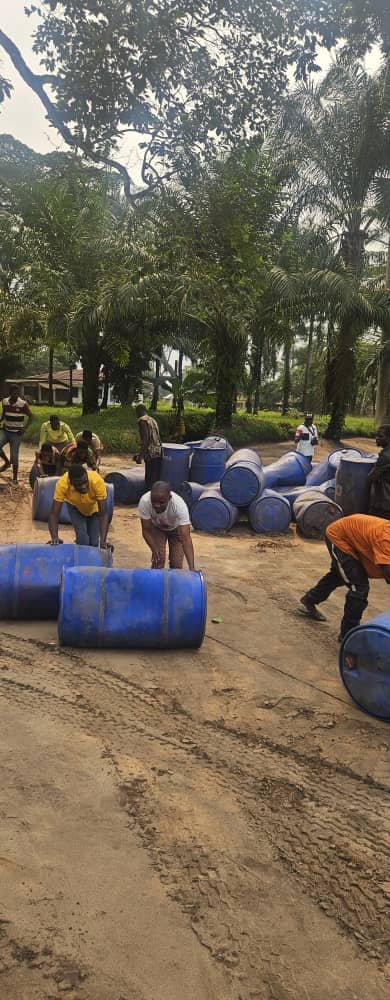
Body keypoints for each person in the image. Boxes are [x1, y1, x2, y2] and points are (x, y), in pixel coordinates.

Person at [298, 513, 390, 640]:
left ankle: (309, 600)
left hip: (353, 537)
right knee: (358, 587)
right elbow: (388, 574)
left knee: (339, 575)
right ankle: (348, 635)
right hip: (339, 537)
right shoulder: (386, 538)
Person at [48, 464, 110, 548]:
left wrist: (103, 541)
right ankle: (81, 558)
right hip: (75, 508)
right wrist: (54, 537)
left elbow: (103, 514)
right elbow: (54, 514)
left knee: (94, 543)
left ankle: (89, 559)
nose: (83, 487)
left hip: (94, 510)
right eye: (78, 485)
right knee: (83, 540)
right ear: (71, 482)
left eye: (85, 482)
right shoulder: (62, 484)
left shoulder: (97, 481)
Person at [138, 481, 195, 570]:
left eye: (161, 502)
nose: (157, 505)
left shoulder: (179, 506)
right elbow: (146, 530)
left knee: (176, 564)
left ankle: (173, 583)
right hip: (157, 528)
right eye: (154, 502)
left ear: (169, 498)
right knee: (158, 560)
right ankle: (155, 582)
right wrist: (154, 548)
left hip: (176, 530)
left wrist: (192, 568)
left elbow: (186, 539)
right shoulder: (145, 501)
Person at [0, 385, 33, 482]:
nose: (16, 395)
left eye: (17, 393)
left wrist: (24, 429)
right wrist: (1, 420)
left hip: (16, 433)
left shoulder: (23, 404)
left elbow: (31, 416)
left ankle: (15, 478)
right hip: (5, 430)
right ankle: (6, 462)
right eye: (14, 393)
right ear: (10, 393)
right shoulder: (4, 401)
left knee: (14, 455)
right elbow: (4, 412)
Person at [135, 404, 162, 490]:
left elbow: (146, 439)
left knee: (149, 479)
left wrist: (140, 456)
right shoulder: (153, 420)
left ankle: (149, 499)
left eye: (136, 412)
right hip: (159, 451)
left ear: (139, 411)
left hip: (150, 453)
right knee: (155, 478)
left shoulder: (142, 421)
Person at [368, 423, 390, 519]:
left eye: (380, 436)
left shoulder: (385, 456)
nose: (377, 438)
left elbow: (372, 477)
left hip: (385, 501)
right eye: (376, 435)